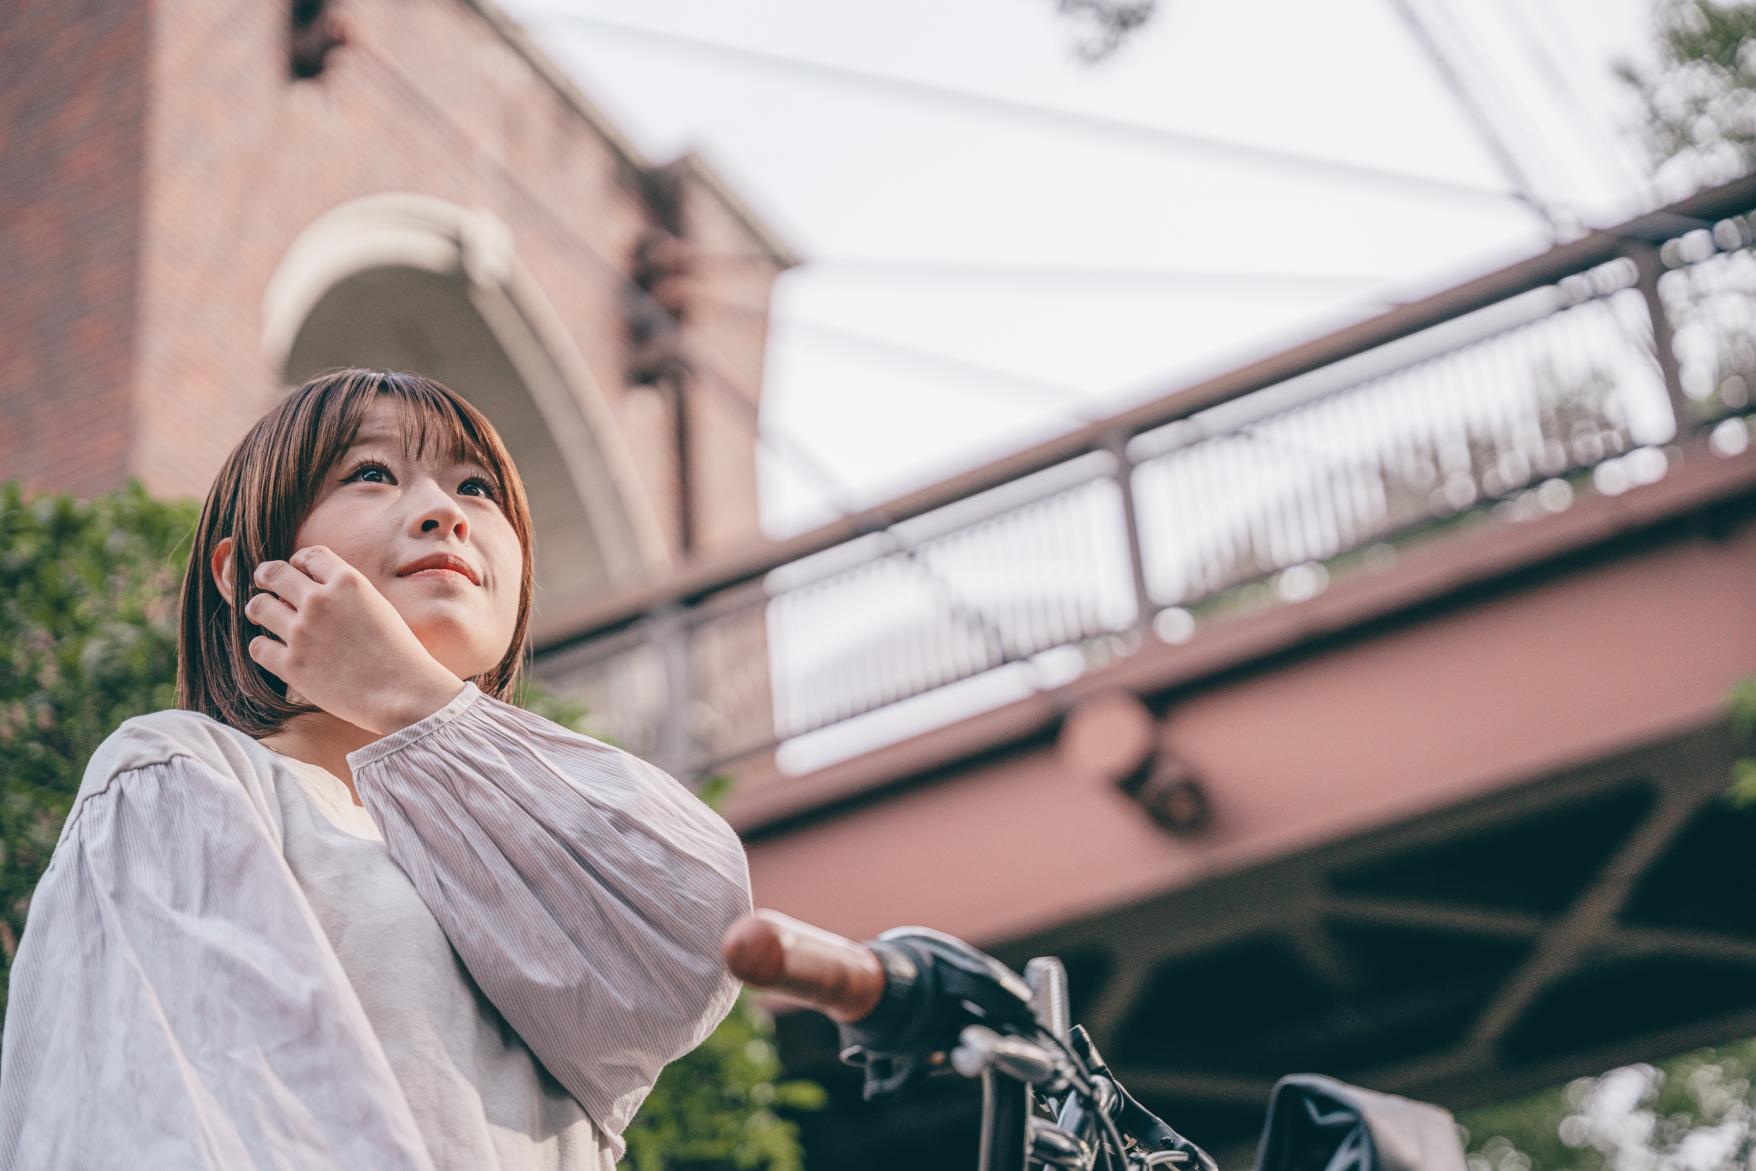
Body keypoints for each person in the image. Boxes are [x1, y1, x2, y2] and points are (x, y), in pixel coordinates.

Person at [0, 368, 754, 1170]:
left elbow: (702, 932)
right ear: (241, 570)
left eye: (477, 486)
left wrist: (407, 696)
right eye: (371, 473)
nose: (446, 513)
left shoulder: (533, 847)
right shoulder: (178, 774)